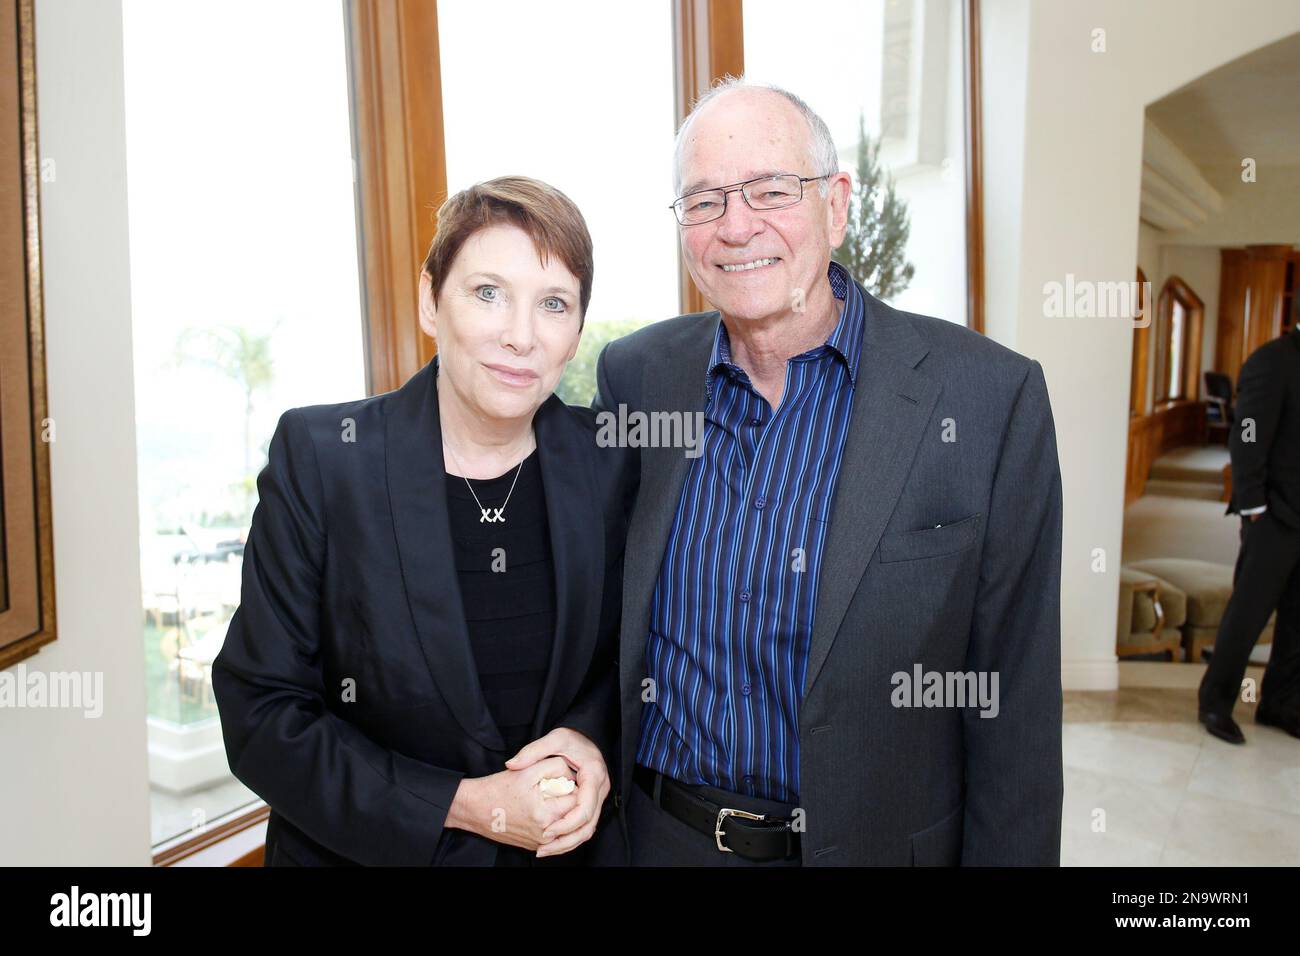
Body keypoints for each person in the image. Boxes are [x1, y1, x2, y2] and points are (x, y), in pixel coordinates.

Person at [594, 79, 1064, 865]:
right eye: (704, 201)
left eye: (772, 190)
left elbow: (1013, 706)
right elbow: (594, 613)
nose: (737, 226)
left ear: (837, 205)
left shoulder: (987, 398)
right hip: (662, 838)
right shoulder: (638, 377)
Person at [212, 176, 629, 865]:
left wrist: (590, 739)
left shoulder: (610, 462)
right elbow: (263, 714)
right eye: (487, 293)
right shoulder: (323, 461)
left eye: (553, 304)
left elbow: (632, 661)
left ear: (577, 333)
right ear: (429, 300)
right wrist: (473, 807)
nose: (520, 335)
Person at [1199, 325, 1300, 744]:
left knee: (1298, 622)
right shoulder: (1273, 358)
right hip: (1273, 517)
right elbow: (1247, 433)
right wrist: (1254, 505)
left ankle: (1280, 703)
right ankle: (1215, 703)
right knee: (1247, 616)